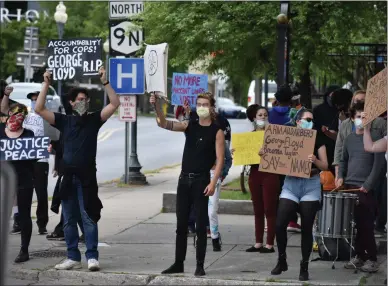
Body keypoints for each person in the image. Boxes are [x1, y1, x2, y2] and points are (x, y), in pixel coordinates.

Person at [35, 68, 120, 271]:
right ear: (72, 102)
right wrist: (46, 83)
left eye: (86, 99)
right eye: (80, 99)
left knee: (88, 216)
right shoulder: (64, 121)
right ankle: (72, 256)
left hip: (87, 178)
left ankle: (92, 256)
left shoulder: (94, 120)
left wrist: (105, 82)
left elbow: (115, 104)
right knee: (69, 220)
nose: (84, 102)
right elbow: (39, 109)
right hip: (68, 178)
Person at [150, 92, 225, 276]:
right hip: (184, 180)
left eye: (205, 104)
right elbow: (164, 123)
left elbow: (220, 159)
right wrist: (157, 107)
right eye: (199, 104)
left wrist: (213, 182)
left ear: (211, 107)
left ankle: (200, 264)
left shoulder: (217, 131)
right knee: (181, 224)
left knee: (200, 225)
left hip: (202, 181)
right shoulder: (189, 125)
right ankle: (178, 262)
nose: (201, 107)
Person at [270, 109, 328, 281]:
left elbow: (325, 165)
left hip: (310, 184)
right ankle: (282, 259)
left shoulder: (318, 139)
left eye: (311, 120)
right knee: (279, 224)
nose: (309, 122)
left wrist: (315, 161)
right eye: (306, 119)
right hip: (291, 184)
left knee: (307, 227)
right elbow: (273, 155)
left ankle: (304, 266)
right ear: (297, 122)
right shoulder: (287, 137)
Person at [337, 102, 384, 273]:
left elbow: (379, 164)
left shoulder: (377, 136)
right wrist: (340, 177)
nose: (362, 120)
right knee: (355, 224)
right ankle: (359, 255)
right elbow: (343, 161)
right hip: (350, 185)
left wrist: (368, 185)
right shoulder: (349, 139)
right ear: (352, 118)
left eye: (365, 117)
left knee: (366, 224)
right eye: (359, 117)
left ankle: (372, 258)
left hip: (366, 188)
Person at [0, 101, 36, 263]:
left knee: (24, 215)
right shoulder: (1, 132)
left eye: (22, 116)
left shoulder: (28, 134)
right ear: (9, 115)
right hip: (4, 180)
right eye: (15, 115)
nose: (18, 119)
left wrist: (43, 150)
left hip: (24, 179)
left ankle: (24, 250)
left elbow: (33, 158)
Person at [244, 104, 279, 253]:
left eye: (265, 115)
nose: (263, 117)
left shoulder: (275, 135)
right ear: (254, 117)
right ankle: (258, 242)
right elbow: (245, 157)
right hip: (255, 174)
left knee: (269, 209)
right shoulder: (250, 136)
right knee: (257, 209)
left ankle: (269, 244)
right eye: (260, 115)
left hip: (270, 174)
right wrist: (238, 152)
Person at [333, 90, 386, 187]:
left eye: (362, 100)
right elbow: (340, 152)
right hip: (351, 178)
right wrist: (339, 175)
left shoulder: (380, 123)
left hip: (372, 180)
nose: (359, 102)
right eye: (356, 100)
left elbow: (380, 158)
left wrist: (370, 183)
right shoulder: (345, 125)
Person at [269, 85, 301, 233]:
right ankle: (292, 220)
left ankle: (275, 219)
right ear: (291, 100)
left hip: (274, 158)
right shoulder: (295, 114)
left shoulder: (270, 114)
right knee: (290, 189)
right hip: (290, 156)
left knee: (276, 189)